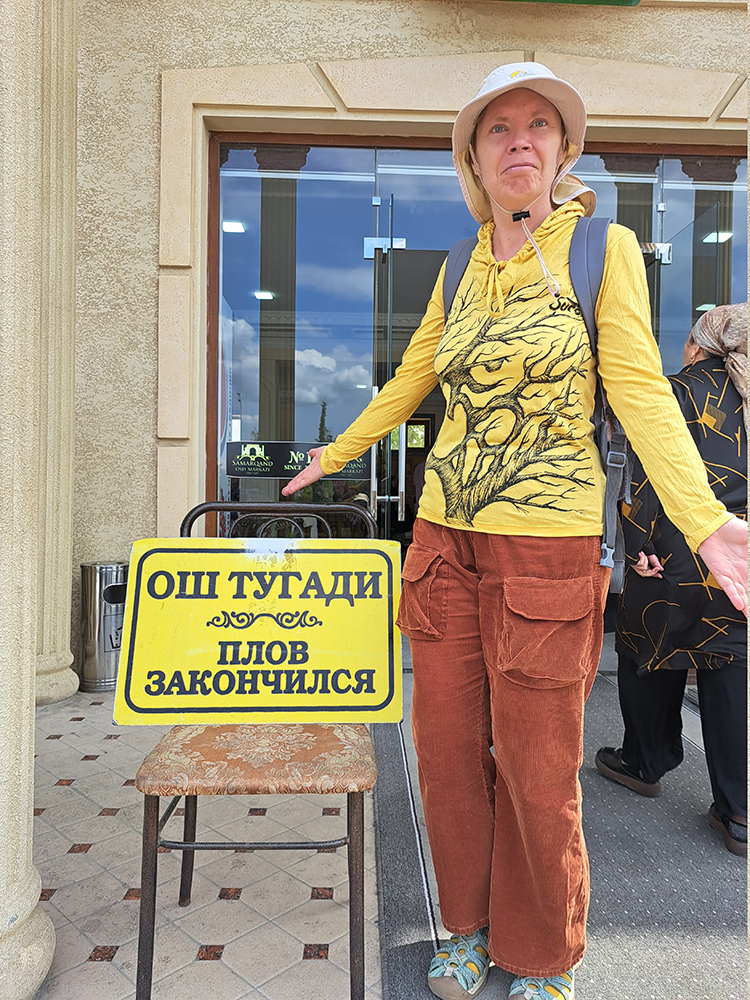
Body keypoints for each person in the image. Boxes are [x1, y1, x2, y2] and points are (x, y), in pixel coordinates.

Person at [282, 62, 748, 1000]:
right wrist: (337, 453)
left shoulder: (603, 247)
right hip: (440, 542)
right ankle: (465, 924)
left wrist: (705, 522)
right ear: (475, 157)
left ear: (564, 150)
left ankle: (543, 951)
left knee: (538, 768)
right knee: (448, 757)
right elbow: (413, 379)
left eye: (540, 124)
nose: (521, 140)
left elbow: (640, 391)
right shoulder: (458, 264)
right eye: (499, 128)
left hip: (547, 546)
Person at [596, 303, 747, 857]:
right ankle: (738, 810)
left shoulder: (673, 391)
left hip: (674, 550)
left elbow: (643, 474)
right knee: (730, 668)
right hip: (735, 554)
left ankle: (645, 761)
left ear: (697, 346)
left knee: (648, 651)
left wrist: (638, 546)